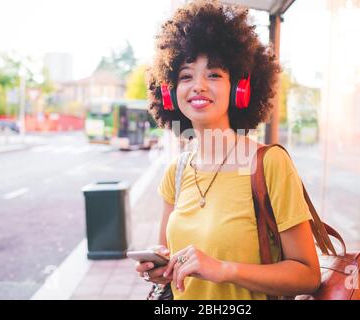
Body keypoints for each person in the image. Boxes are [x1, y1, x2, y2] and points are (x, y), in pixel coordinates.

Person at [135, 0, 321, 300]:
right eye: (185, 75)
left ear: (240, 88)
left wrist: (224, 269)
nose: (198, 85)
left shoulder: (269, 164)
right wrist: (161, 268)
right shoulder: (177, 171)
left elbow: (308, 276)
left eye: (213, 74)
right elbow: (170, 258)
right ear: (169, 93)